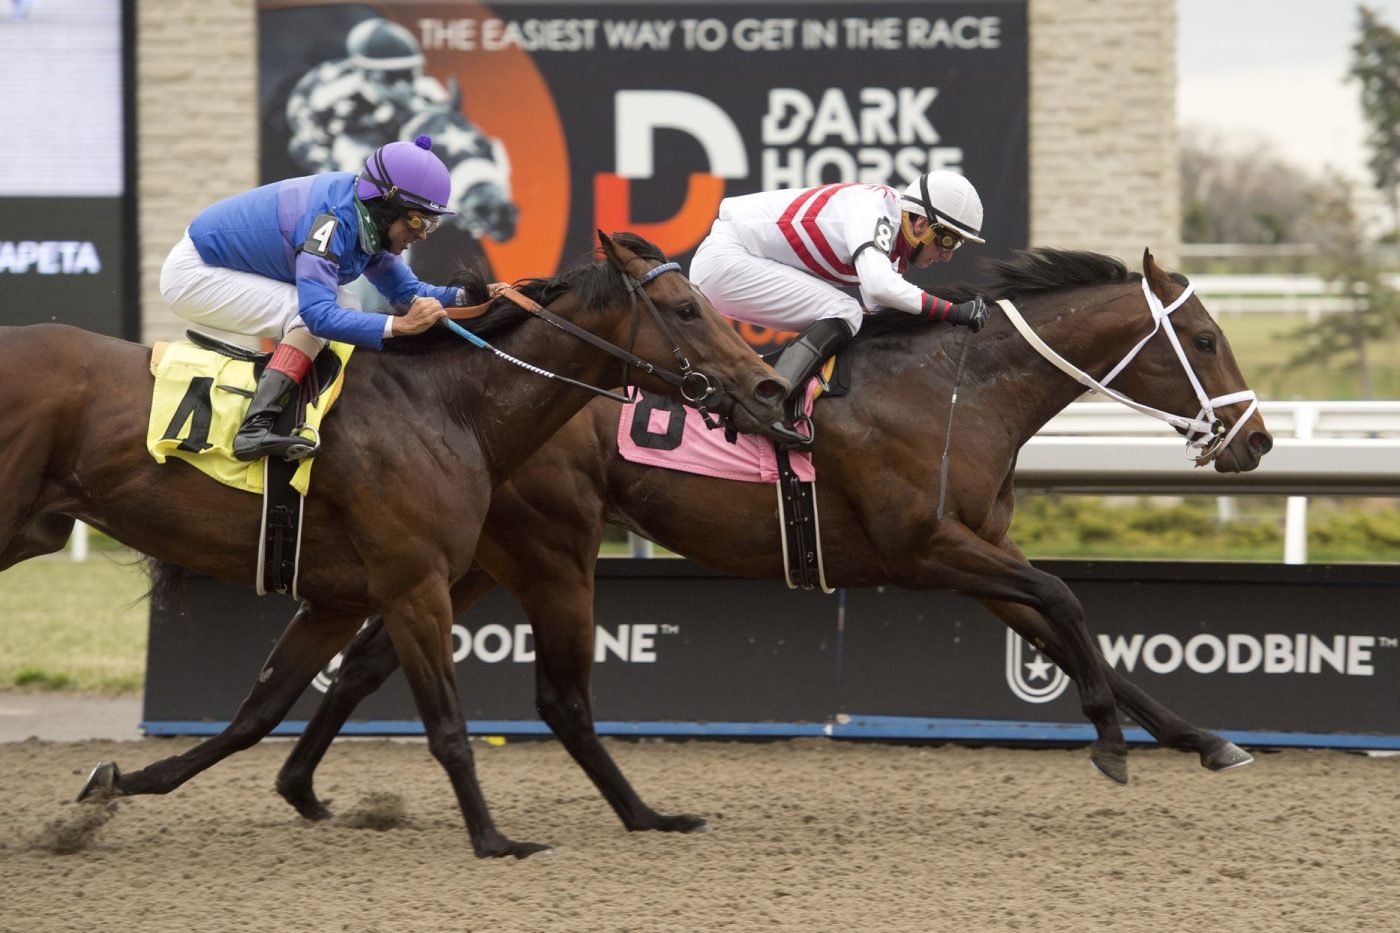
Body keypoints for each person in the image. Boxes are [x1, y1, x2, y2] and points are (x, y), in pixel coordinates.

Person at [159, 135, 463, 462]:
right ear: (387, 207)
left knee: (346, 305)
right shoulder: (330, 221)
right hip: (195, 274)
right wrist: (401, 327)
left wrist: (475, 294)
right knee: (314, 313)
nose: (421, 234)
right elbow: (318, 315)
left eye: (430, 225)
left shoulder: (366, 221)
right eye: (417, 221)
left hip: (216, 263)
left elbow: (410, 295)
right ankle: (253, 428)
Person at [689, 170, 990, 448]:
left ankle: (774, 392)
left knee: (851, 314)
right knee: (845, 310)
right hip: (727, 259)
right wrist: (953, 312)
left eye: (957, 245)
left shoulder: (893, 236)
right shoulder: (875, 209)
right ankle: (768, 405)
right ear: (921, 224)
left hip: (734, 258)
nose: (948, 255)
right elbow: (879, 287)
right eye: (948, 240)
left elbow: (878, 303)